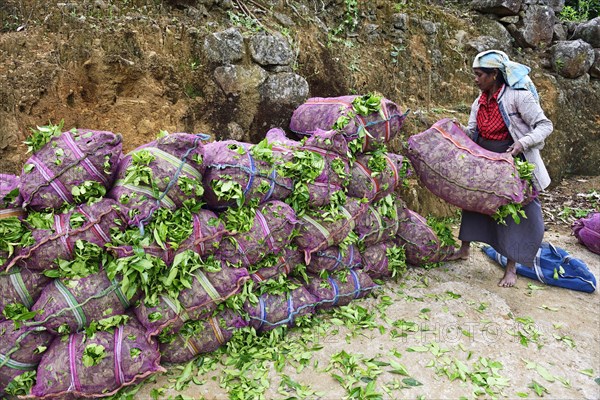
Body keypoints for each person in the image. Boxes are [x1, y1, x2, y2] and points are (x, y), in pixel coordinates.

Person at [448, 49, 553, 288]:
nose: (475, 79)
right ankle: (464, 249)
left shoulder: (517, 97)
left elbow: (545, 125)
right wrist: (453, 130)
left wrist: (522, 143)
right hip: (485, 159)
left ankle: (511, 267)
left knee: (512, 213)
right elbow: (473, 132)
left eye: (479, 74)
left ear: (494, 74)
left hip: (511, 160)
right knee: (473, 202)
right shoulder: (480, 101)